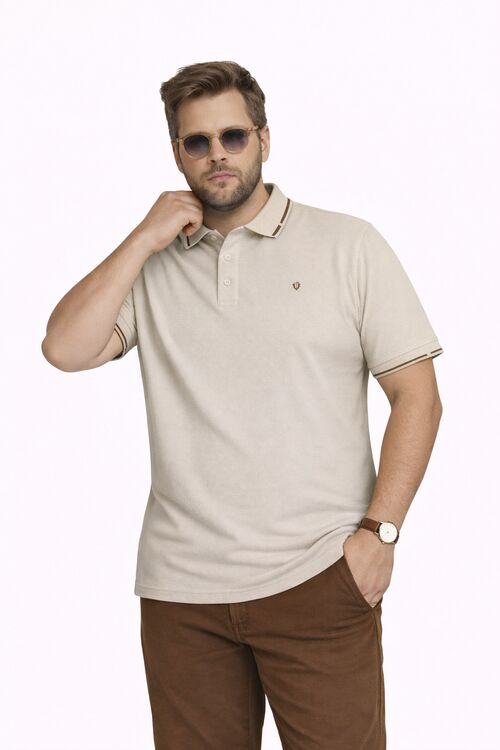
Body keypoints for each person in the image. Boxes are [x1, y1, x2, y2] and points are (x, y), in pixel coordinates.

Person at [41, 60, 444, 750]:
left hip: (318, 578)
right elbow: (63, 349)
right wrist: (142, 238)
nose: (217, 155)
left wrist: (379, 536)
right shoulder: (153, 263)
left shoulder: (348, 245)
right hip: (181, 594)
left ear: (264, 139)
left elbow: (418, 397)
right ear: (177, 154)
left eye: (233, 136)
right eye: (197, 142)